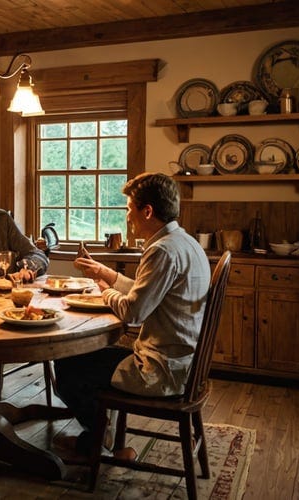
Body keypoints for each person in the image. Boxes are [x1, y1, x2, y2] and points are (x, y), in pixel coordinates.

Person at [54, 172, 211, 461]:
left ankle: (95, 440)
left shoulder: (162, 251)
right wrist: (107, 274)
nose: (128, 216)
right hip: (184, 365)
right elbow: (147, 293)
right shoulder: (185, 242)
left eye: (130, 209)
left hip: (159, 370)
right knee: (90, 357)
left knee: (66, 368)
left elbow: (134, 313)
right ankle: (102, 431)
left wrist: (103, 291)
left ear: (147, 211)